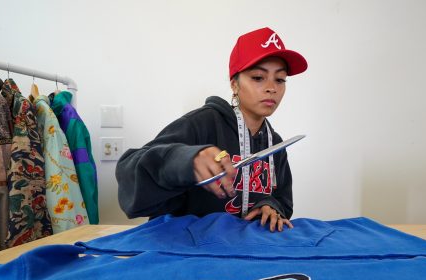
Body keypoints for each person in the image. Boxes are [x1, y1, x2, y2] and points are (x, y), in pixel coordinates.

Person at [116, 27, 307, 232]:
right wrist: (185, 160)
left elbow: (283, 201)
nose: (272, 88)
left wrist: (270, 206)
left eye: (280, 79)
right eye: (258, 77)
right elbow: (128, 174)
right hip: (186, 246)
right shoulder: (201, 124)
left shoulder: (275, 144)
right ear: (234, 84)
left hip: (245, 248)